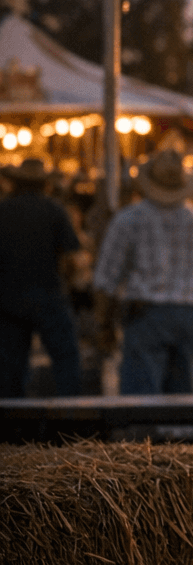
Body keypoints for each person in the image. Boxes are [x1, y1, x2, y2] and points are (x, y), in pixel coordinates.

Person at [93, 149, 193, 394]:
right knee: (183, 399)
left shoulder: (129, 220)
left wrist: (104, 323)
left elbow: (106, 280)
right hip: (190, 313)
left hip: (146, 313)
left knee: (141, 401)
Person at [0, 158, 83, 397]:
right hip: (48, 293)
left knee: (10, 366)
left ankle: (11, 421)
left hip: (8, 297)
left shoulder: (3, 211)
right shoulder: (54, 210)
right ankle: (72, 416)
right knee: (66, 358)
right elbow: (72, 256)